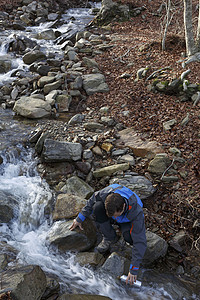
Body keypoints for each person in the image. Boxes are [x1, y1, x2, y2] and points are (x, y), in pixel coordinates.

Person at [70, 183, 147, 285]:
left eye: (116, 214)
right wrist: (80, 218)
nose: (114, 217)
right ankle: (109, 237)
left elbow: (140, 242)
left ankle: (123, 235)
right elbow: (90, 202)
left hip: (127, 221)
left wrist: (134, 269)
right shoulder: (106, 193)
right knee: (97, 207)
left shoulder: (136, 211)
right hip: (115, 213)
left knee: (130, 237)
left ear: (123, 206)